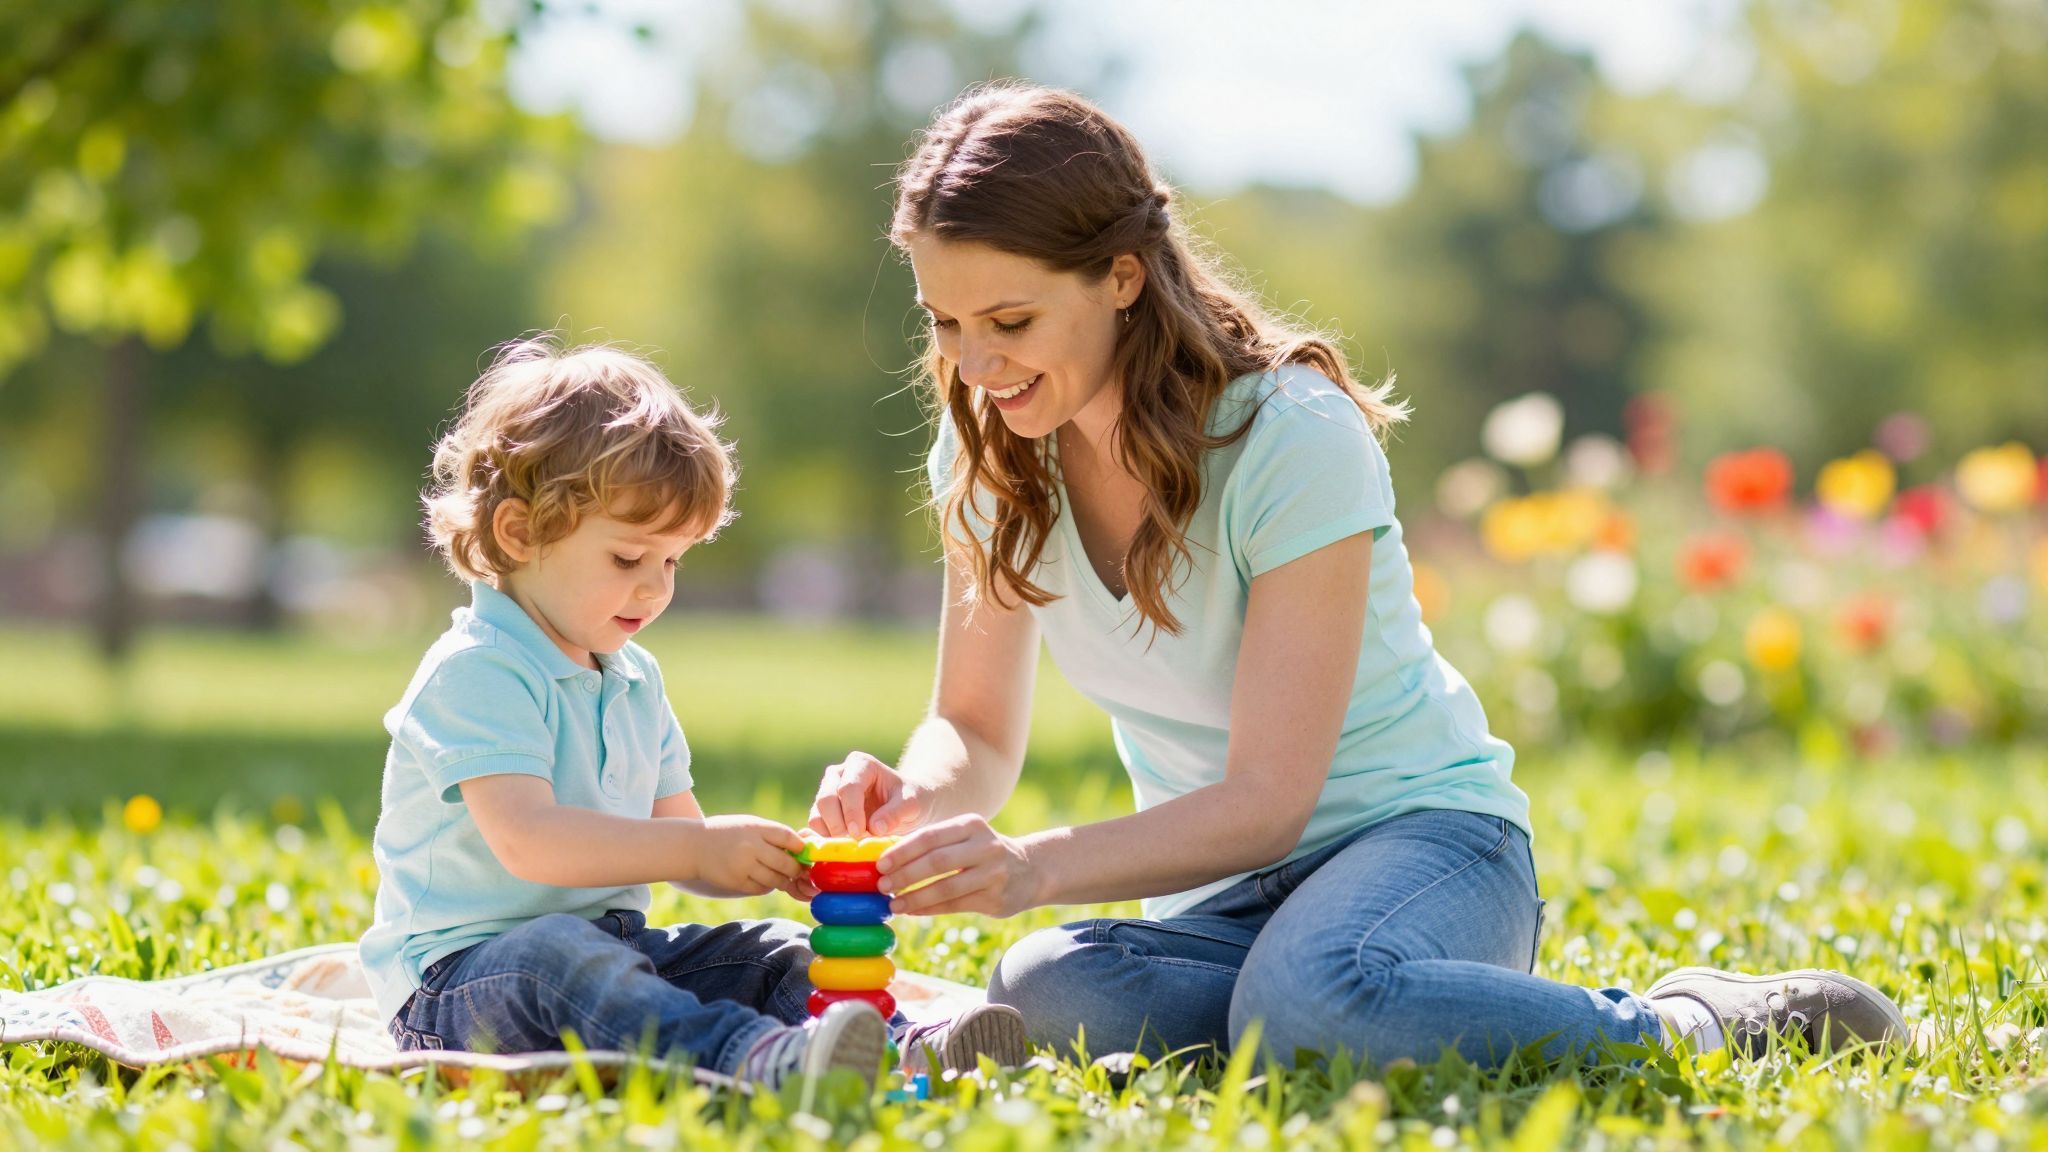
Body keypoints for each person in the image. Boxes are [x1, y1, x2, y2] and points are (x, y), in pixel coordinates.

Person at [808, 83, 1907, 1067]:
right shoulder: (991, 452)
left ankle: (1682, 1020)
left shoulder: (1289, 436)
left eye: (1009, 321)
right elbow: (975, 729)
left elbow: (1268, 803)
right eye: (944, 323)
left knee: (1310, 1006)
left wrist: (1034, 868)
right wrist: (916, 792)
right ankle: (1337, 1013)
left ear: (1122, 278)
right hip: (1221, 901)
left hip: (1427, 848)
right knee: (1040, 987)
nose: (975, 364)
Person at [359, 336, 1026, 1088]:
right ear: (519, 534)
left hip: (613, 951)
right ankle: (752, 1058)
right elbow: (531, 843)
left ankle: (905, 1045)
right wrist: (698, 850)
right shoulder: (479, 669)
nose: (655, 590)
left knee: (770, 949)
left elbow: (681, 835)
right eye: (627, 559)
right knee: (557, 955)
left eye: (672, 560)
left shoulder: (634, 678)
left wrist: (767, 862)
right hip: (462, 986)